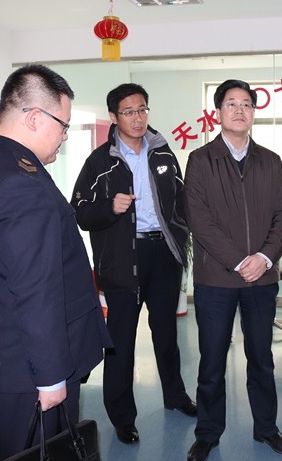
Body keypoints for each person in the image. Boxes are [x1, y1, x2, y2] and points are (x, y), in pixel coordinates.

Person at [0, 64, 112, 461]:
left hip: (2, 360)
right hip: (28, 369)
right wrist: (51, 376)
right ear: (33, 118)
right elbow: (36, 287)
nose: (64, 136)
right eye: (63, 125)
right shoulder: (20, 183)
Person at [71, 83, 196, 445]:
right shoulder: (99, 161)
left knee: (167, 334)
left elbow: (182, 201)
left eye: (142, 109)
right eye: (129, 112)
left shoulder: (163, 152)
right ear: (114, 117)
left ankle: (175, 396)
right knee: (121, 341)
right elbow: (79, 211)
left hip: (164, 254)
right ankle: (123, 417)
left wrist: (183, 239)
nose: (138, 118)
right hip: (123, 258)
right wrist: (109, 207)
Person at [184, 79, 282, 461]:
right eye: (231, 103)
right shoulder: (201, 160)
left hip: (261, 279)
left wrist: (263, 257)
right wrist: (238, 260)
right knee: (212, 361)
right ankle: (208, 433)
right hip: (216, 279)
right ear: (218, 112)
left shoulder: (270, 161)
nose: (239, 110)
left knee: (262, 359)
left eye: (246, 104)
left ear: (253, 112)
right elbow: (199, 219)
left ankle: (266, 428)